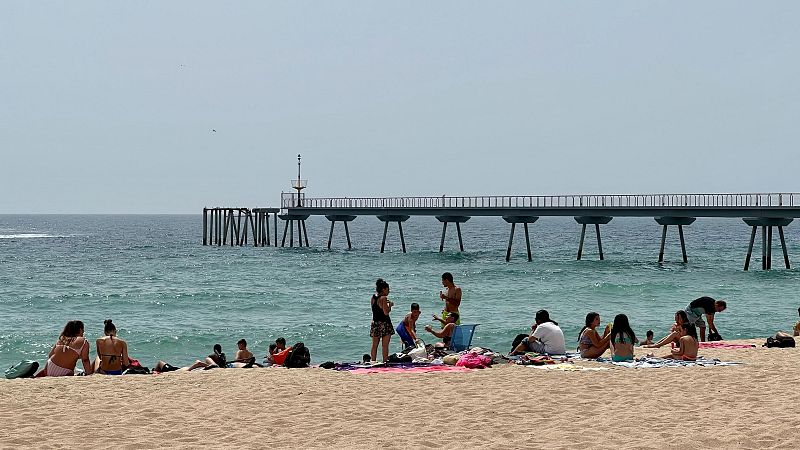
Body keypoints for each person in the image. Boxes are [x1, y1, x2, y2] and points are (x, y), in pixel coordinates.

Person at [370, 278, 394, 362]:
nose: (388, 291)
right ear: (383, 289)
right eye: (387, 289)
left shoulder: (373, 297)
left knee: (374, 345)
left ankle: (373, 361)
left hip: (375, 322)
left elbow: (375, 309)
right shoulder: (383, 298)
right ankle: (384, 361)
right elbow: (386, 312)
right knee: (385, 345)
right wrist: (390, 305)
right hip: (384, 323)